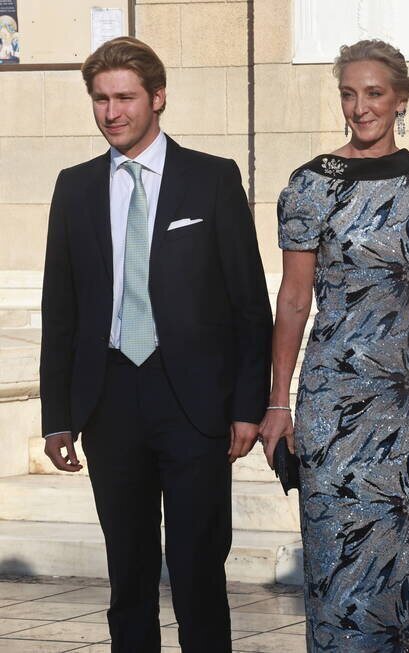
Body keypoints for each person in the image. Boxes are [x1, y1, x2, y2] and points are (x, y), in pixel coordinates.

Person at [40, 37, 272, 652]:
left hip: (192, 401)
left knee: (199, 571)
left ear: (158, 98)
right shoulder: (75, 187)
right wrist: (57, 416)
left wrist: (250, 405)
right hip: (109, 398)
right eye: (100, 99)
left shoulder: (213, 179)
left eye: (124, 98)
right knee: (129, 576)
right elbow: (59, 311)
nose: (111, 112)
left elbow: (250, 305)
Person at [259, 39, 409, 650]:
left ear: (401, 98)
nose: (360, 107)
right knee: (339, 571)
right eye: (349, 94)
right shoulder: (310, 186)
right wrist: (278, 403)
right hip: (334, 404)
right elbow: (294, 299)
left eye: (374, 93)